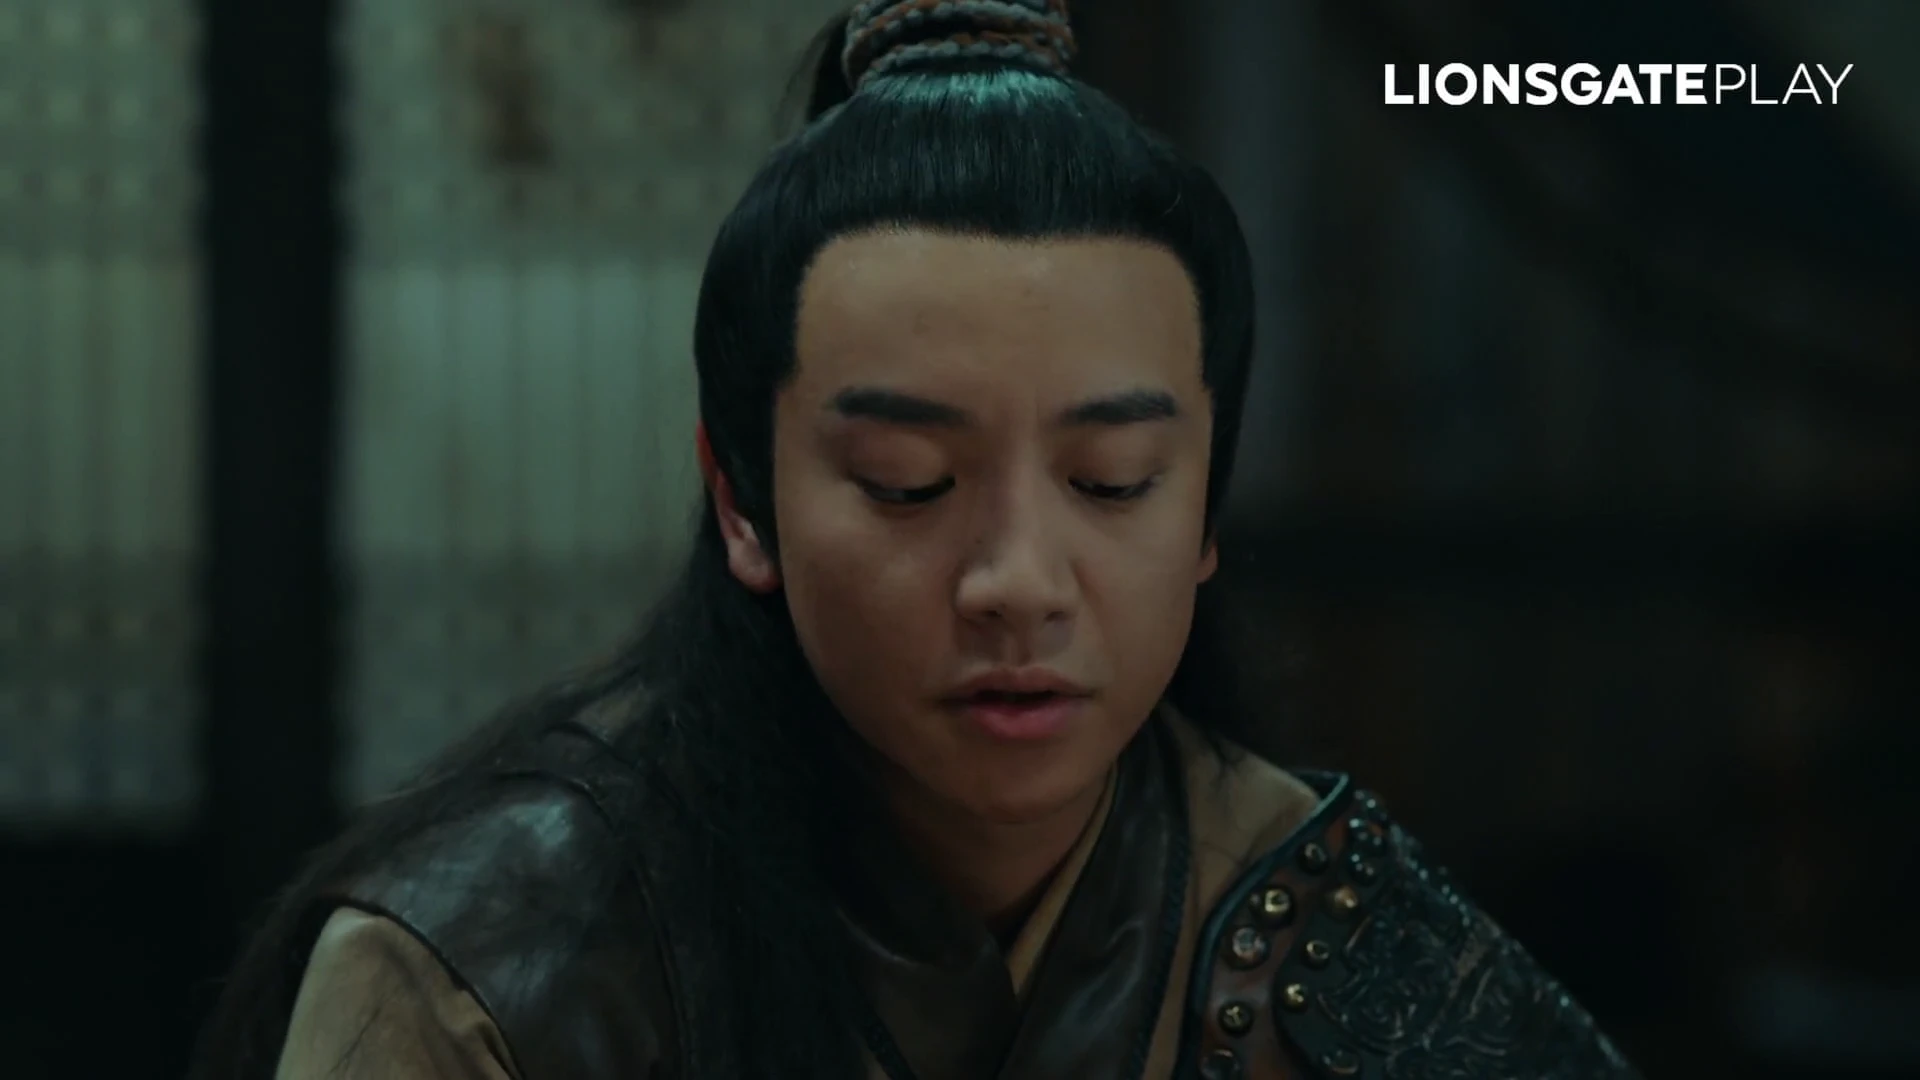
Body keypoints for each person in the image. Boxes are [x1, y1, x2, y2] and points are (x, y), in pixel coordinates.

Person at [193, 2, 1642, 1078]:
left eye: (1114, 482)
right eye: (907, 483)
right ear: (741, 501)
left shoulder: (1321, 928)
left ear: (1207, 508)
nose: (1019, 582)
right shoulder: (497, 971)